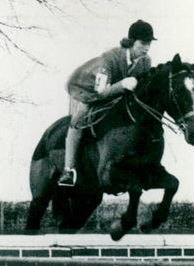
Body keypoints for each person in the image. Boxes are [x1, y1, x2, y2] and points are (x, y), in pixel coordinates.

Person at [58, 19, 156, 187]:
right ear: (131, 42)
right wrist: (123, 84)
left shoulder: (146, 61)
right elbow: (101, 92)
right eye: (143, 43)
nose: (146, 48)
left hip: (118, 95)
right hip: (89, 91)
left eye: (149, 44)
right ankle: (68, 170)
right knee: (78, 121)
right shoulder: (109, 58)